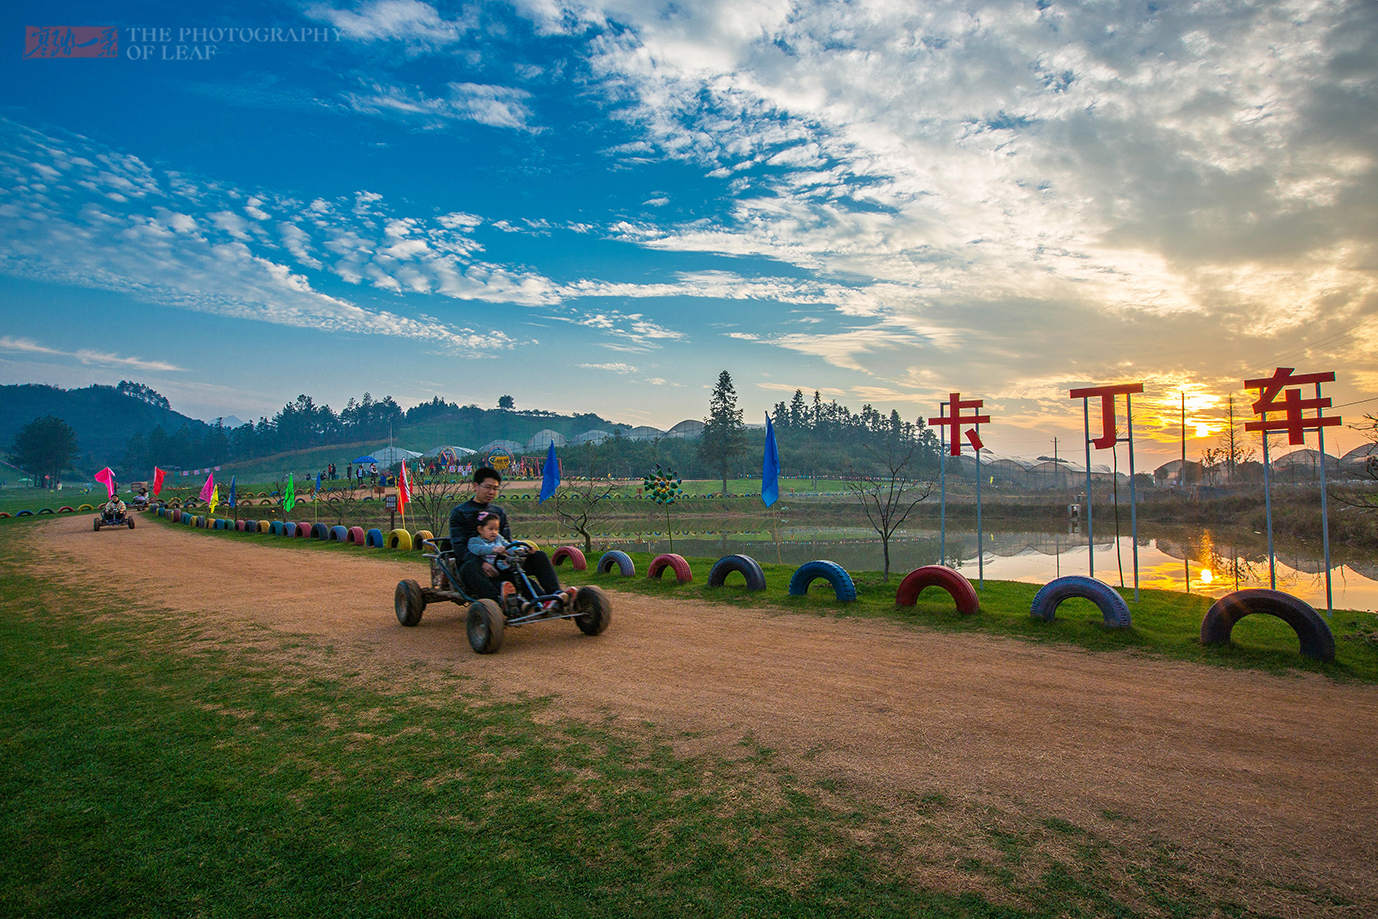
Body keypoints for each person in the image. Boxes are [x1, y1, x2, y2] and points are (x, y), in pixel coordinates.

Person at [449, 466, 565, 606]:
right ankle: (497, 602)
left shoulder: (498, 512)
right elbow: (459, 548)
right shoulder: (460, 512)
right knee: (471, 567)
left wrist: (521, 552)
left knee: (538, 556)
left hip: (500, 562)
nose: (491, 492)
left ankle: (555, 596)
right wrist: (482, 564)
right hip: (473, 566)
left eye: (495, 488)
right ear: (475, 486)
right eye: (488, 487)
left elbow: (506, 543)